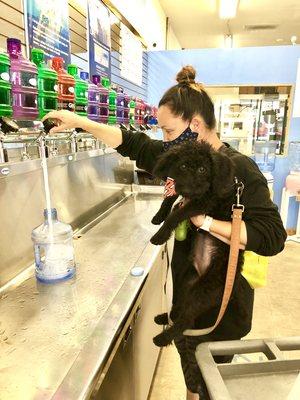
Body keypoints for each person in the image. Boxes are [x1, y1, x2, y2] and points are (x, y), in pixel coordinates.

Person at [43, 65, 287, 400]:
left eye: (169, 131)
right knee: (192, 380)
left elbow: (274, 236)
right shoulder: (184, 158)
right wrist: (81, 122)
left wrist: (208, 223)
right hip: (190, 301)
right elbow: (135, 144)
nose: (165, 140)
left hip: (221, 309)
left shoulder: (239, 168)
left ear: (196, 125)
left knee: (206, 384)